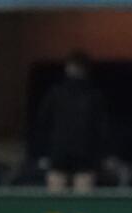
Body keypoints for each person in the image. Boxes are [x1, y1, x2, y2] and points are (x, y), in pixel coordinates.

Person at [35, 51, 108, 193]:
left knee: (58, 200)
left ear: (68, 68)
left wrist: (42, 151)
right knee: (79, 203)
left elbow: (42, 123)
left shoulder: (57, 93)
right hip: (80, 154)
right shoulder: (93, 96)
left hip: (67, 153)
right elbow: (102, 129)